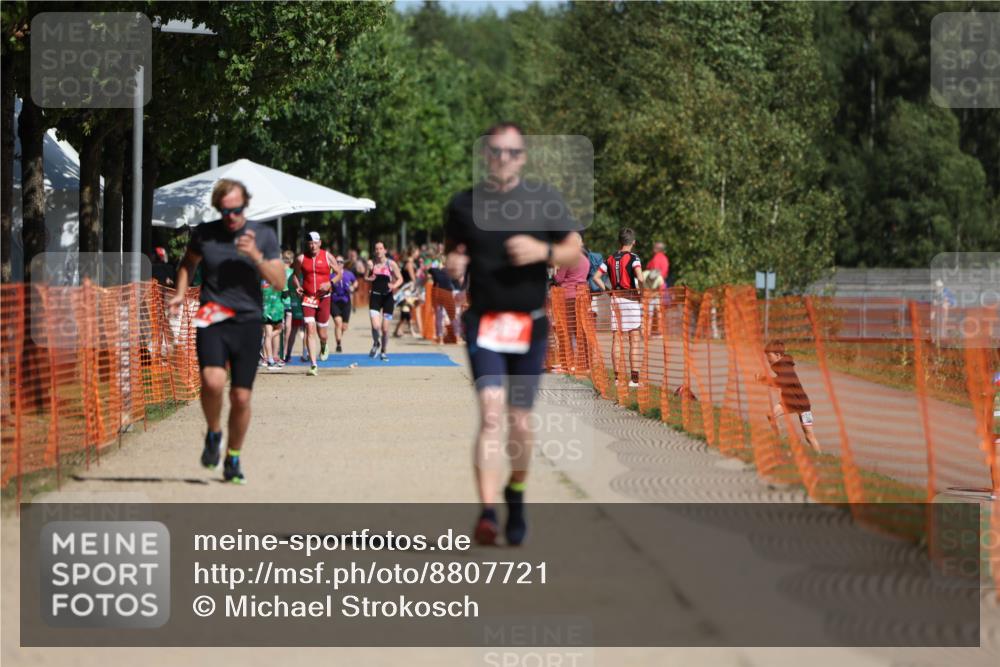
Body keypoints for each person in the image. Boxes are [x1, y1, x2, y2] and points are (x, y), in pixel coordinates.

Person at [445, 122, 583, 546]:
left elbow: (573, 247)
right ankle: (487, 514)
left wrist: (543, 251)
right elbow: (454, 251)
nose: (503, 159)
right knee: (490, 413)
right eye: (496, 152)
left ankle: (516, 494)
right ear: (486, 156)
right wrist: (454, 265)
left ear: (522, 157)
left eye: (512, 152)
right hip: (484, 323)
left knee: (519, 420)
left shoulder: (544, 199)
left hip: (529, 323)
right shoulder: (463, 204)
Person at [167, 178, 284, 484]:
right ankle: (214, 433)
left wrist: (256, 256)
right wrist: (181, 292)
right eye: (225, 210)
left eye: (237, 210)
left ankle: (233, 456)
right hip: (213, 315)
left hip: (247, 320)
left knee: (242, 397)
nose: (231, 216)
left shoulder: (263, 235)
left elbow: (280, 282)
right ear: (218, 208)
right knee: (212, 380)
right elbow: (187, 263)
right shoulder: (205, 233)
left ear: (246, 205)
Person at [594, 228, 644, 388]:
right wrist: (642, 293)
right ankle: (634, 379)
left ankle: (616, 379)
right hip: (631, 298)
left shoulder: (609, 259)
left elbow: (596, 277)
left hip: (615, 299)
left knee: (617, 338)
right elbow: (641, 278)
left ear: (619, 242)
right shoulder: (634, 258)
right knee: (634, 340)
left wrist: (608, 291)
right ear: (633, 242)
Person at [755, 340, 822, 454]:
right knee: (771, 415)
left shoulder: (785, 366)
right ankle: (780, 441)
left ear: (778, 355)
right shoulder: (780, 364)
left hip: (802, 405)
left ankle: (820, 456)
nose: (768, 359)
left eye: (769, 356)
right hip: (789, 402)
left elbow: (781, 382)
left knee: (809, 436)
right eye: (766, 356)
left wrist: (764, 380)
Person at [292, 232, 342, 376]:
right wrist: (297, 286)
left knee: (323, 333)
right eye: (309, 243)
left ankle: (324, 344)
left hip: (324, 297)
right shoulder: (301, 258)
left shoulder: (327, 256)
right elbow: (294, 275)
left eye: (314, 242)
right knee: (309, 328)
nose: (312, 245)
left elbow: (339, 273)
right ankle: (313, 364)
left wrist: (329, 283)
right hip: (308, 298)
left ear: (320, 243)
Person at [365, 241, 403, 361]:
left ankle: (383, 352)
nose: (378, 251)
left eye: (381, 248)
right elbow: (366, 277)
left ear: (385, 250)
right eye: (376, 249)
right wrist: (369, 278)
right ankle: (376, 343)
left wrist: (394, 285)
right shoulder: (371, 264)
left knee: (385, 329)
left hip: (387, 298)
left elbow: (400, 278)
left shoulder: (391, 264)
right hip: (375, 297)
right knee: (376, 326)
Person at [281, 250, 306, 363]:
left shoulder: (297, 275)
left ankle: (293, 354)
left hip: (297, 305)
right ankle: (291, 354)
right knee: (297, 330)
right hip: (297, 305)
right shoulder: (293, 275)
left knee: (297, 330)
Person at [331, 256, 356, 353]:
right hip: (334, 301)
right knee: (338, 322)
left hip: (346, 301)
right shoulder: (331, 275)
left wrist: (353, 287)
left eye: (341, 262)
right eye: (337, 262)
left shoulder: (348, 274)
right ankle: (338, 344)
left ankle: (339, 337)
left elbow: (356, 282)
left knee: (344, 326)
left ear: (343, 264)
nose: (339, 263)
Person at [260, 271, 285, 370]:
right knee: (275, 331)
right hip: (274, 310)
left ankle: (270, 359)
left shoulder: (262, 280)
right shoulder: (277, 279)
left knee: (269, 334)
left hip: (265, 309)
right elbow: (285, 293)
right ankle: (270, 360)